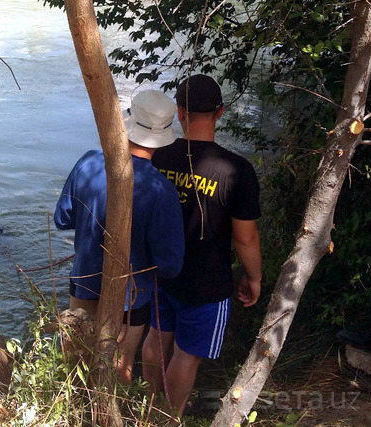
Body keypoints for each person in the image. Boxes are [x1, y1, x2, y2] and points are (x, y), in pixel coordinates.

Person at [142, 74, 262, 417]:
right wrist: (254, 277)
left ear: (180, 113)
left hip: (161, 270)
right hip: (207, 281)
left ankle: (149, 405)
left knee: (157, 336)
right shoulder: (237, 171)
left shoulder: (158, 157)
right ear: (220, 112)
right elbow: (245, 237)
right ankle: (169, 418)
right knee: (186, 354)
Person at [54, 90, 185, 383]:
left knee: (75, 360)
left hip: (84, 283)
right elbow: (170, 265)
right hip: (131, 297)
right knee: (119, 367)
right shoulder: (162, 190)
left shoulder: (88, 163)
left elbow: (62, 219)